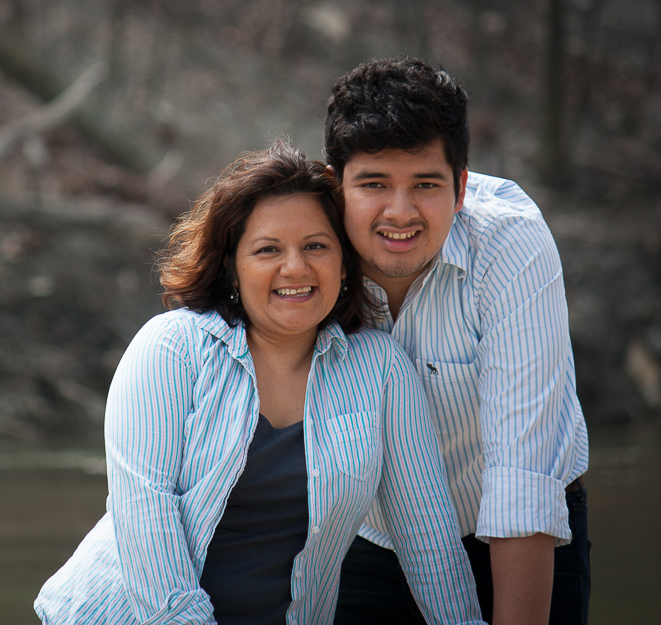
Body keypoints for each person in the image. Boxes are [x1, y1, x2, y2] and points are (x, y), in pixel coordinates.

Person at [34, 141, 484, 625]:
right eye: (268, 249)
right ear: (232, 266)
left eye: (316, 246)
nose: (296, 267)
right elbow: (147, 521)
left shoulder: (381, 369)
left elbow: (430, 545)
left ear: (343, 262)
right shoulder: (172, 350)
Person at [324, 56, 591, 625]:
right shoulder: (307, 253)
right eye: (373, 184)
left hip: (519, 530)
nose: (400, 213)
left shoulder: (511, 247)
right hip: (370, 534)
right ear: (335, 185)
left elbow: (523, 477)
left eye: (425, 184)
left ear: (462, 186)